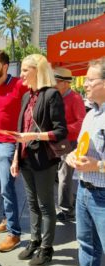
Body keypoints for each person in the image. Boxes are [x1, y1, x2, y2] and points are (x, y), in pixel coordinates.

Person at [11, 54, 67, 266]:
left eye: (26, 70)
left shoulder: (52, 95)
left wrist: (34, 136)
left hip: (44, 160)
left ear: (38, 70)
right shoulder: (27, 97)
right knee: (32, 204)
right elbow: (21, 131)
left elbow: (60, 131)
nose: (22, 74)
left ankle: (46, 248)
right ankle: (34, 241)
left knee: (45, 206)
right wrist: (16, 157)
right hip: (26, 159)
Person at [63, 58, 105, 266]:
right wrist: (71, 157)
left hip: (103, 195)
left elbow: (96, 162)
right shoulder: (90, 115)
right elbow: (81, 149)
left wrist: (97, 166)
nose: (85, 84)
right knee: (86, 245)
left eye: (90, 79)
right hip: (84, 191)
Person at [0, 50, 28, 252]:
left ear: (5, 66)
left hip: (7, 144)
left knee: (7, 188)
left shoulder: (19, 84)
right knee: (1, 187)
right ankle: (6, 220)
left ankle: (14, 233)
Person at [54, 67, 86, 222]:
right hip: (57, 141)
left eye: (56, 81)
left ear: (65, 83)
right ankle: (67, 202)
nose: (53, 83)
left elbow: (81, 124)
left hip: (69, 142)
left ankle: (66, 209)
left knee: (64, 175)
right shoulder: (56, 96)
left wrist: (61, 129)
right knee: (59, 175)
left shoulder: (75, 98)